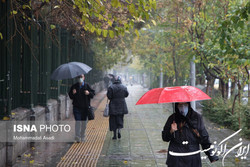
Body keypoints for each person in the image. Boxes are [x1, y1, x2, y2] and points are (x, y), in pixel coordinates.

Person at [162, 102, 218, 167]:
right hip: (176, 158)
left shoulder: (197, 118)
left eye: (185, 105)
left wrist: (211, 155)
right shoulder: (172, 119)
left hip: (193, 157)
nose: (183, 107)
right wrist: (171, 131)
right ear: (176, 106)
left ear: (189, 105)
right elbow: (165, 138)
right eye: (180, 105)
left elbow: (204, 138)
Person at [68, 74, 95, 142]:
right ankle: (77, 136)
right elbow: (70, 96)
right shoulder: (74, 86)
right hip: (76, 107)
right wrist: (73, 93)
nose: (80, 78)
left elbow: (93, 94)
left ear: (84, 78)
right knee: (78, 121)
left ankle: (82, 135)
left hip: (85, 108)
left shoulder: (87, 86)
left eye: (81, 77)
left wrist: (88, 93)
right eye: (79, 77)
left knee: (84, 123)